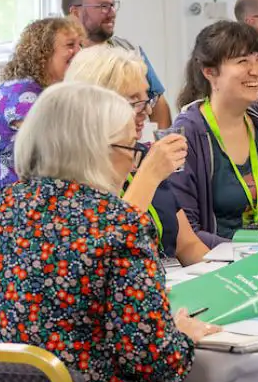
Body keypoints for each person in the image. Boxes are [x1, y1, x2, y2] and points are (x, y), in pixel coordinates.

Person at [0, 82, 218, 382]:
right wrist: (180, 333)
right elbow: (157, 361)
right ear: (96, 150)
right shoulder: (116, 221)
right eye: (130, 147)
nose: (134, 160)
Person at [64, 45, 214, 261]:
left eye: (147, 98)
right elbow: (109, 250)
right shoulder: (73, 174)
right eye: (134, 101)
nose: (149, 111)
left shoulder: (142, 155)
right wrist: (149, 176)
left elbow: (188, 245)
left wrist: (227, 280)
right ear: (96, 104)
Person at [172, 20, 258, 241]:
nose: (256, 71)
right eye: (242, 61)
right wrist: (247, 254)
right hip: (226, 261)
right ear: (210, 72)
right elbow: (187, 230)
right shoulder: (187, 132)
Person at [0, 16, 85, 203]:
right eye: (70, 45)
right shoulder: (22, 94)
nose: (78, 51)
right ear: (44, 51)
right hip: (9, 203)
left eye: (80, 44)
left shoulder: (42, 88)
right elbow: (58, 149)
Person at [61, 0, 173, 129]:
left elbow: (158, 104)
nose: (112, 13)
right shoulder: (64, 57)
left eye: (112, 5)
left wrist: (160, 144)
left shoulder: (129, 49)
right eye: (103, 6)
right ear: (75, 12)